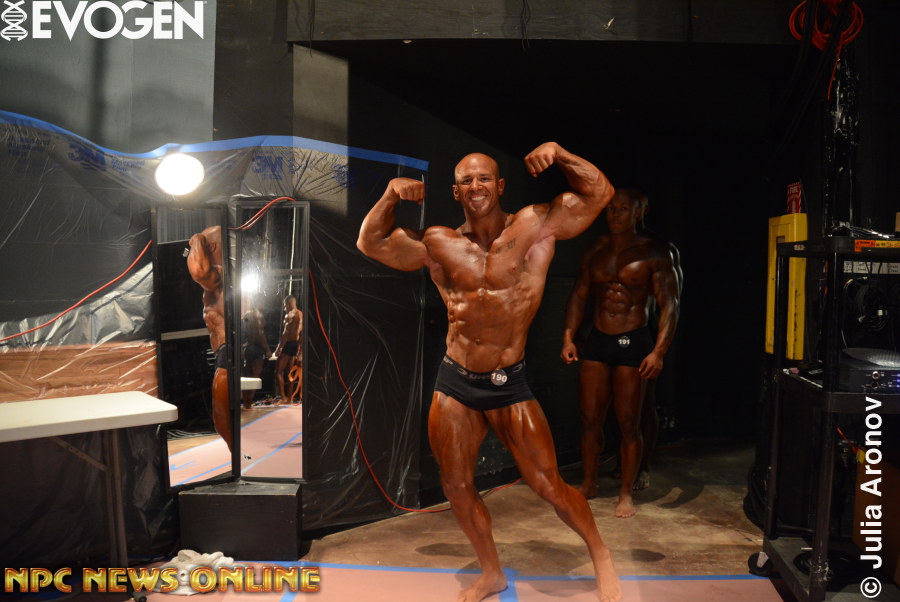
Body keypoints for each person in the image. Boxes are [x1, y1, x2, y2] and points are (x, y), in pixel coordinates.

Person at [358, 142, 621, 602]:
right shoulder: (438, 242)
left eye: (483, 179)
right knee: (456, 486)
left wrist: (560, 155)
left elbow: (600, 194)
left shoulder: (535, 225)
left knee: (547, 484)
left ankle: (599, 552)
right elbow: (370, 243)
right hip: (455, 380)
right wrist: (390, 194)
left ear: (499, 186)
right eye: (466, 181)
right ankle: (491, 572)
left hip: (507, 380)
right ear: (455, 192)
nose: (475, 186)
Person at [560, 188, 680, 518]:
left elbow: (670, 304)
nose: (615, 214)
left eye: (623, 209)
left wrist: (659, 351)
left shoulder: (654, 252)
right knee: (590, 419)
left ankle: (625, 493)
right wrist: (568, 336)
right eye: (611, 208)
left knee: (629, 422)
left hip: (634, 340)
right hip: (598, 339)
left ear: (639, 212)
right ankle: (589, 483)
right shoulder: (596, 250)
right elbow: (579, 295)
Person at [186, 225, 232, 451]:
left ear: (210, 246)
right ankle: (239, 458)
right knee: (222, 418)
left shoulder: (220, 274)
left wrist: (196, 239)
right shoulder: (224, 274)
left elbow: (199, 272)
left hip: (228, 350)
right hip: (225, 350)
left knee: (221, 418)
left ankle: (240, 459)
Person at [273, 295, 302, 405]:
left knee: (278, 371)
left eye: (285, 305)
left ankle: (284, 398)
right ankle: (290, 399)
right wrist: (300, 352)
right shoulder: (301, 314)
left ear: (290, 304)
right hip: (295, 345)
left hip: (288, 344)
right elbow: (302, 334)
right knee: (290, 373)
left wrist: (279, 348)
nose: (285, 308)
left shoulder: (290, 315)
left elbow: (286, 333)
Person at [241, 303, 271, 409]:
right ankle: (248, 404)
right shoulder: (258, 315)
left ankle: (245, 403)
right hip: (257, 349)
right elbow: (260, 333)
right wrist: (267, 349)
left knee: (247, 377)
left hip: (247, 348)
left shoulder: (246, 316)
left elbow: (242, 333)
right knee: (254, 377)